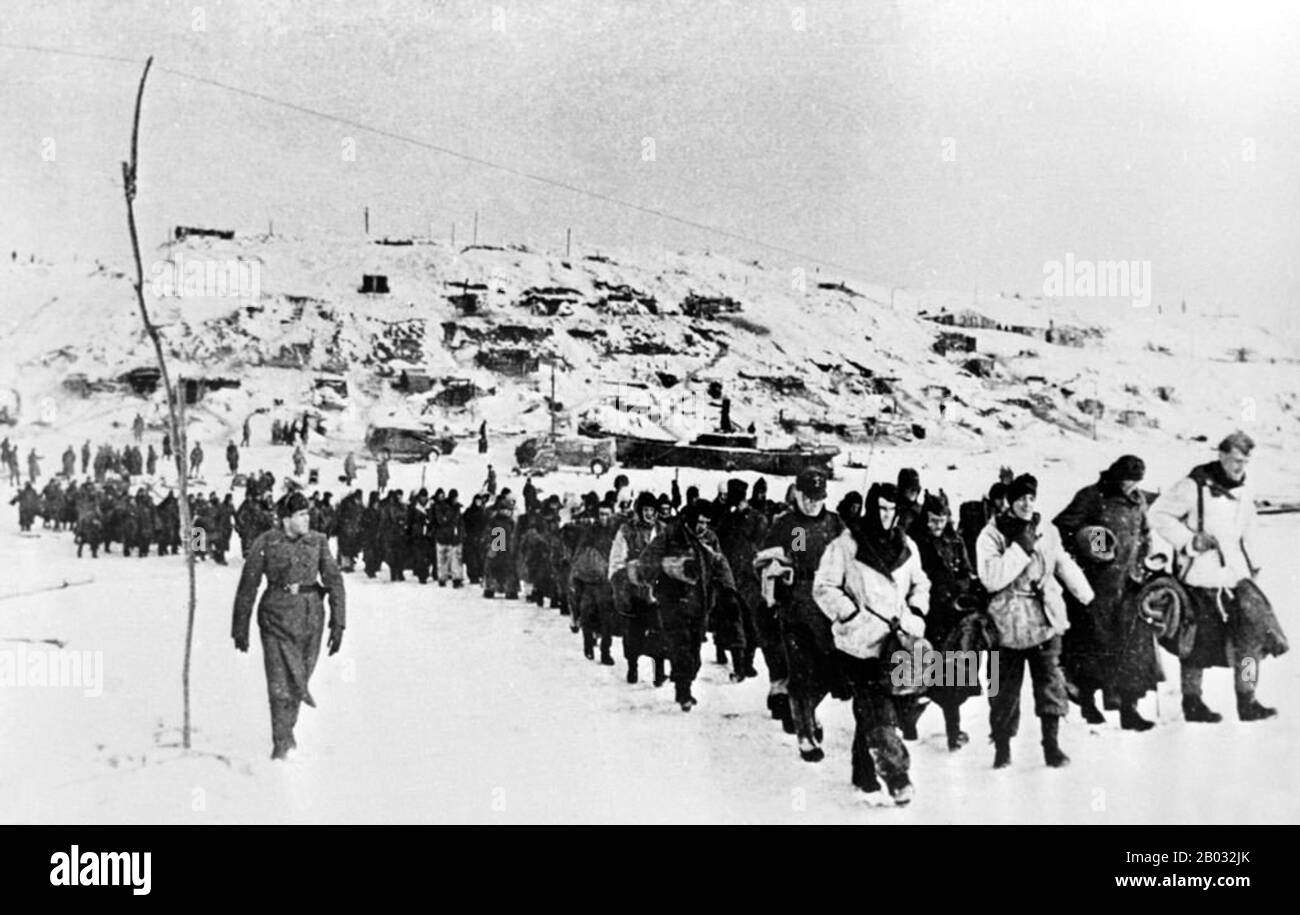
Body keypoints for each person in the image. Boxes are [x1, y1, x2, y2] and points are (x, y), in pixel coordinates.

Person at [1149, 431, 1281, 722]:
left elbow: (1250, 529)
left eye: (1245, 461)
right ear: (1220, 456)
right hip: (1199, 578)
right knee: (1196, 644)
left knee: (1251, 641)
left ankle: (1247, 700)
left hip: (1236, 578)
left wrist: (1254, 564)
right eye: (1235, 460)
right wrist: (1189, 541)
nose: (1239, 467)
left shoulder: (1244, 490)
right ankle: (1192, 703)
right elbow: (1158, 515)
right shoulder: (1191, 487)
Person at [813, 482, 928, 805]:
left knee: (889, 708)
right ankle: (897, 777)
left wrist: (915, 613)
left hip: (898, 641)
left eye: (892, 510)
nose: (887, 516)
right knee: (877, 711)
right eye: (880, 508)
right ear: (869, 508)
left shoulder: (908, 546)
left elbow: (921, 583)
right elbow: (824, 587)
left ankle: (862, 773)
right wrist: (851, 615)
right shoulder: (846, 545)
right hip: (860, 644)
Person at [977, 473, 1094, 769]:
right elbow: (992, 579)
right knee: (1003, 691)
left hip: (1044, 618)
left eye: (1031, 498)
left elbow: (1061, 561)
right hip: (1008, 622)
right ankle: (1002, 748)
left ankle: (1051, 745)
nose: (1027, 504)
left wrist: (1086, 595)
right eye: (1021, 499)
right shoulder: (991, 535)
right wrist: (1020, 548)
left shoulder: (1046, 529)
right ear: (1010, 501)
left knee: (1051, 683)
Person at [232, 491, 346, 760]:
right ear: (286, 519)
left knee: (299, 680)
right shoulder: (267, 542)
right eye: (301, 515)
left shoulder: (318, 542)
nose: (307, 519)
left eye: (307, 514)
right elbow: (248, 583)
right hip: (275, 617)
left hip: (310, 618)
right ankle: (281, 742)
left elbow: (334, 580)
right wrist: (240, 625)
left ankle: (287, 731)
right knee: (279, 683)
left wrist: (338, 622)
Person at [1052, 454, 1160, 730]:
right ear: (1115, 476)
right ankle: (1088, 703)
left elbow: (1145, 533)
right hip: (1095, 588)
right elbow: (1062, 527)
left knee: (1131, 650)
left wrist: (1146, 560)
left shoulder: (1139, 501)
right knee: (1092, 649)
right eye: (1127, 481)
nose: (1131, 487)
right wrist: (1093, 543)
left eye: (1136, 483)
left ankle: (1129, 710)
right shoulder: (1092, 496)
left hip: (1129, 585)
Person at [756, 467, 845, 755]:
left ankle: (804, 712)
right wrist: (784, 569)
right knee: (802, 672)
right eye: (808, 497)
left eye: (818, 498)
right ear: (798, 494)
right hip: (796, 609)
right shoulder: (792, 525)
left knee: (829, 673)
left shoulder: (835, 524)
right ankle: (806, 735)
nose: (812, 504)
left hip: (829, 611)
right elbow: (793, 558)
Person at [637, 498, 736, 711]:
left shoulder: (710, 537)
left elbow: (721, 562)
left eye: (707, 523)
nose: (703, 527)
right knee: (681, 646)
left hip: (701, 602)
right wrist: (658, 578)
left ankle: (684, 680)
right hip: (674, 601)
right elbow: (648, 561)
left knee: (694, 651)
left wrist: (729, 589)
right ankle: (684, 691)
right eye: (699, 522)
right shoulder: (673, 534)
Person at [912, 491, 985, 749]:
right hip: (928, 619)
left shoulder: (955, 540)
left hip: (954, 618)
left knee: (951, 682)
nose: (937, 526)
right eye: (932, 520)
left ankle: (953, 733)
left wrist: (964, 591)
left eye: (941, 521)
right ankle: (909, 722)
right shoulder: (916, 542)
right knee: (922, 677)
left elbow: (966, 570)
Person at [611, 492, 667, 685]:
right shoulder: (627, 530)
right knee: (633, 631)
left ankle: (659, 671)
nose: (649, 514)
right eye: (645, 510)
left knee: (659, 631)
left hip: (658, 591)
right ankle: (632, 667)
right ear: (638, 511)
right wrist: (622, 584)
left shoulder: (663, 530)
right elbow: (617, 561)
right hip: (634, 590)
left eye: (652, 510)